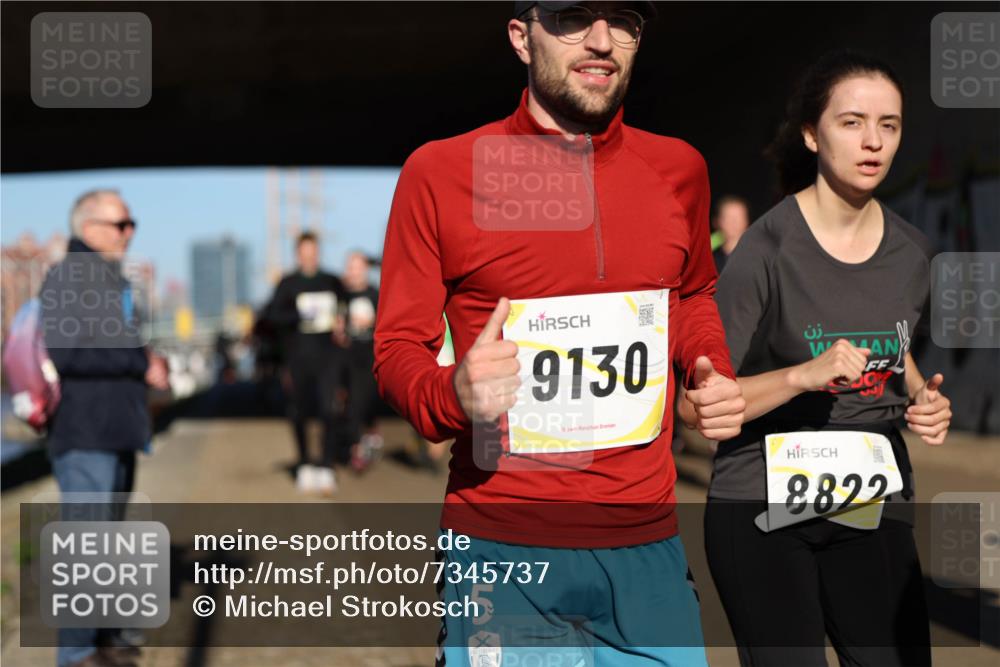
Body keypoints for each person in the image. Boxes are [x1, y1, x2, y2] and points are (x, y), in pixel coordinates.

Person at [374, 2, 745, 664]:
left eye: (624, 20)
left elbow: (691, 292)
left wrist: (708, 362)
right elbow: (397, 348)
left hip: (647, 547)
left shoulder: (680, 168)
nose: (601, 40)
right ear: (521, 36)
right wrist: (451, 391)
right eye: (574, 16)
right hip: (504, 547)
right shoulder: (439, 172)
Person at [699, 50, 951, 666]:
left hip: (871, 498)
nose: (873, 142)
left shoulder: (914, 251)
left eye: (888, 125)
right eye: (852, 122)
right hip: (760, 500)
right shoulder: (764, 249)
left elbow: (895, 347)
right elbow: (696, 407)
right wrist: (801, 376)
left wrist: (924, 399)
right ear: (812, 134)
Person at [40, 189, 169, 667]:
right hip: (85, 435)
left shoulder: (106, 279)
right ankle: (75, 654)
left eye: (130, 223)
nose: (130, 232)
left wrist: (146, 361)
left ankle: (106, 643)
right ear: (89, 228)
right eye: (122, 224)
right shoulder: (68, 278)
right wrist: (139, 360)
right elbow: (68, 353)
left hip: (113, 432)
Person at [267, 231, 346, 495]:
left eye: (313, 252)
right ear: (297, 254)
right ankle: (304, 464)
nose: (309, 257)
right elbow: (272, 316)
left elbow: (347, 307)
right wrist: (299, 314)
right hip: (298, 358)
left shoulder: (332, 281)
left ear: (318, 252)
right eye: (304, 253)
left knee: (329, 409)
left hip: (328, 357)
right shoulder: (288, 283)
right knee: (299, 412)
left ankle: (325, 466)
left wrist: (341, 321)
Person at [339, 250, 383, 471]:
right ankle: (356, 445)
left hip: (369, 356)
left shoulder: (376, 294)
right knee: (350, 401)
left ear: (365, 269)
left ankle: (364, 439)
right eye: (350, 267)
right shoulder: (342, 296)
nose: (353, 272)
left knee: (364, 401)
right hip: (347, 357)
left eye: (357, 267)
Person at [711, 195, 750, 274]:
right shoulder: (707, 258)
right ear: (717, 222)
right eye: (728, 218)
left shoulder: (759, 257)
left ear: (746, 221)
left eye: (737, 218)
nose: (733, 223)